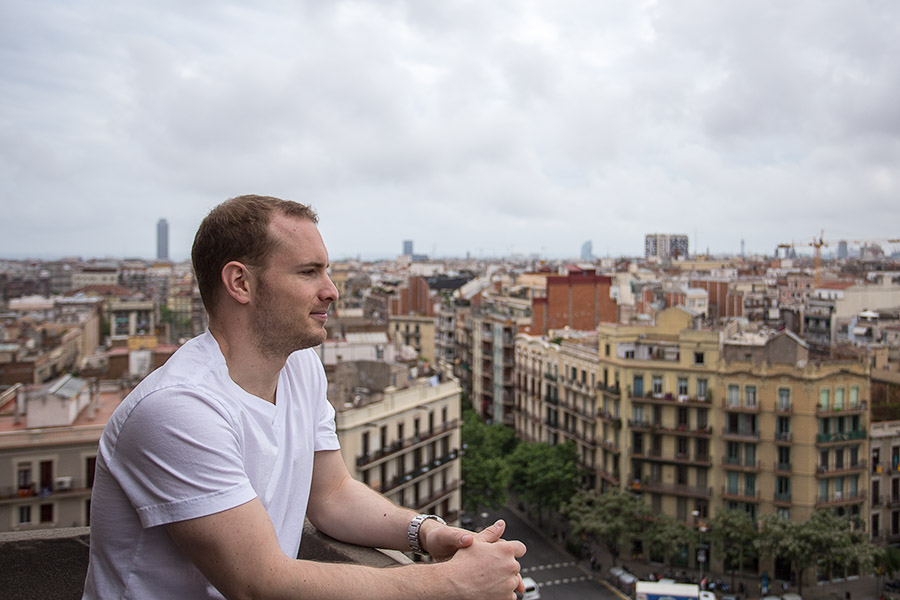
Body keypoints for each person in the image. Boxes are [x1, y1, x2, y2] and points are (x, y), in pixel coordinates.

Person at [83, 195, 527, 599]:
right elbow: (260, 583)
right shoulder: (178, 408)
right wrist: (449, 584)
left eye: (327, 270)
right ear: (240, 283)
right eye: (308, 272)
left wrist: (427, 533)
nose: (331, 289)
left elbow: (332, 494)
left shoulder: (299, 367)